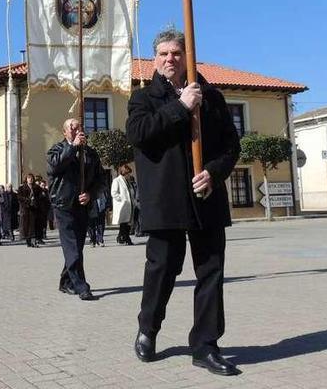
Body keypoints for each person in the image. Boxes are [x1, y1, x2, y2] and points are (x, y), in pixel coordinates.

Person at [126, 29, 240, 375]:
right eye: (163, 53)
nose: (169, 59)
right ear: (154, 59)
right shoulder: (143, 99)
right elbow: (140, 135)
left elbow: (231, 147)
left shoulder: (212, 97)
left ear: (186, 57)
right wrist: (180, 107)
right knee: (162, 271)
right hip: (166, 201)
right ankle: (148, 328)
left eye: (176, 53)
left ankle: (205, 345)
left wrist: (214, 173)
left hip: (205, 198)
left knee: (210, 273)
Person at [47, 118, 105, 301]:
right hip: (63, 204)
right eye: (72, 128)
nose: (77, 130)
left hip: (82, 206)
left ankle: (65, 281)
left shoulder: (90, 154)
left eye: (79, 127)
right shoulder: (56, 150)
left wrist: (90, 194)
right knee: (72, 246)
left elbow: (101, 180)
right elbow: (56, 165)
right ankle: (81, 286)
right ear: (65, 132)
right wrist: (72, 146)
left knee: (77, 247)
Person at [112, 165, 136, 245]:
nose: (129, 175)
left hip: (129, 205)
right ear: (124, 173)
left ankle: (121, 238)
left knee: (127, 224)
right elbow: (114, 193)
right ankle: (126, 239)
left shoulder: (128, 181)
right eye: (128, 173)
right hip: (123, 206)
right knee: (124, 224)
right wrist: (122, 200)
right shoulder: (117, 180)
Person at [17, 174, 41, 248]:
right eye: (29, 178)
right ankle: (28, 241)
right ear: (26, 179)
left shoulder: (36, 187)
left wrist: (36, 200)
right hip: (26, 208)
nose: (30, 179)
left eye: (31, 178)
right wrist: (27, 200)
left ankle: (34, 241)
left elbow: (40, 196)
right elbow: (19, 197)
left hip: (34, 208)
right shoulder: (22, 188)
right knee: (26, 225)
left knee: (33, 225)